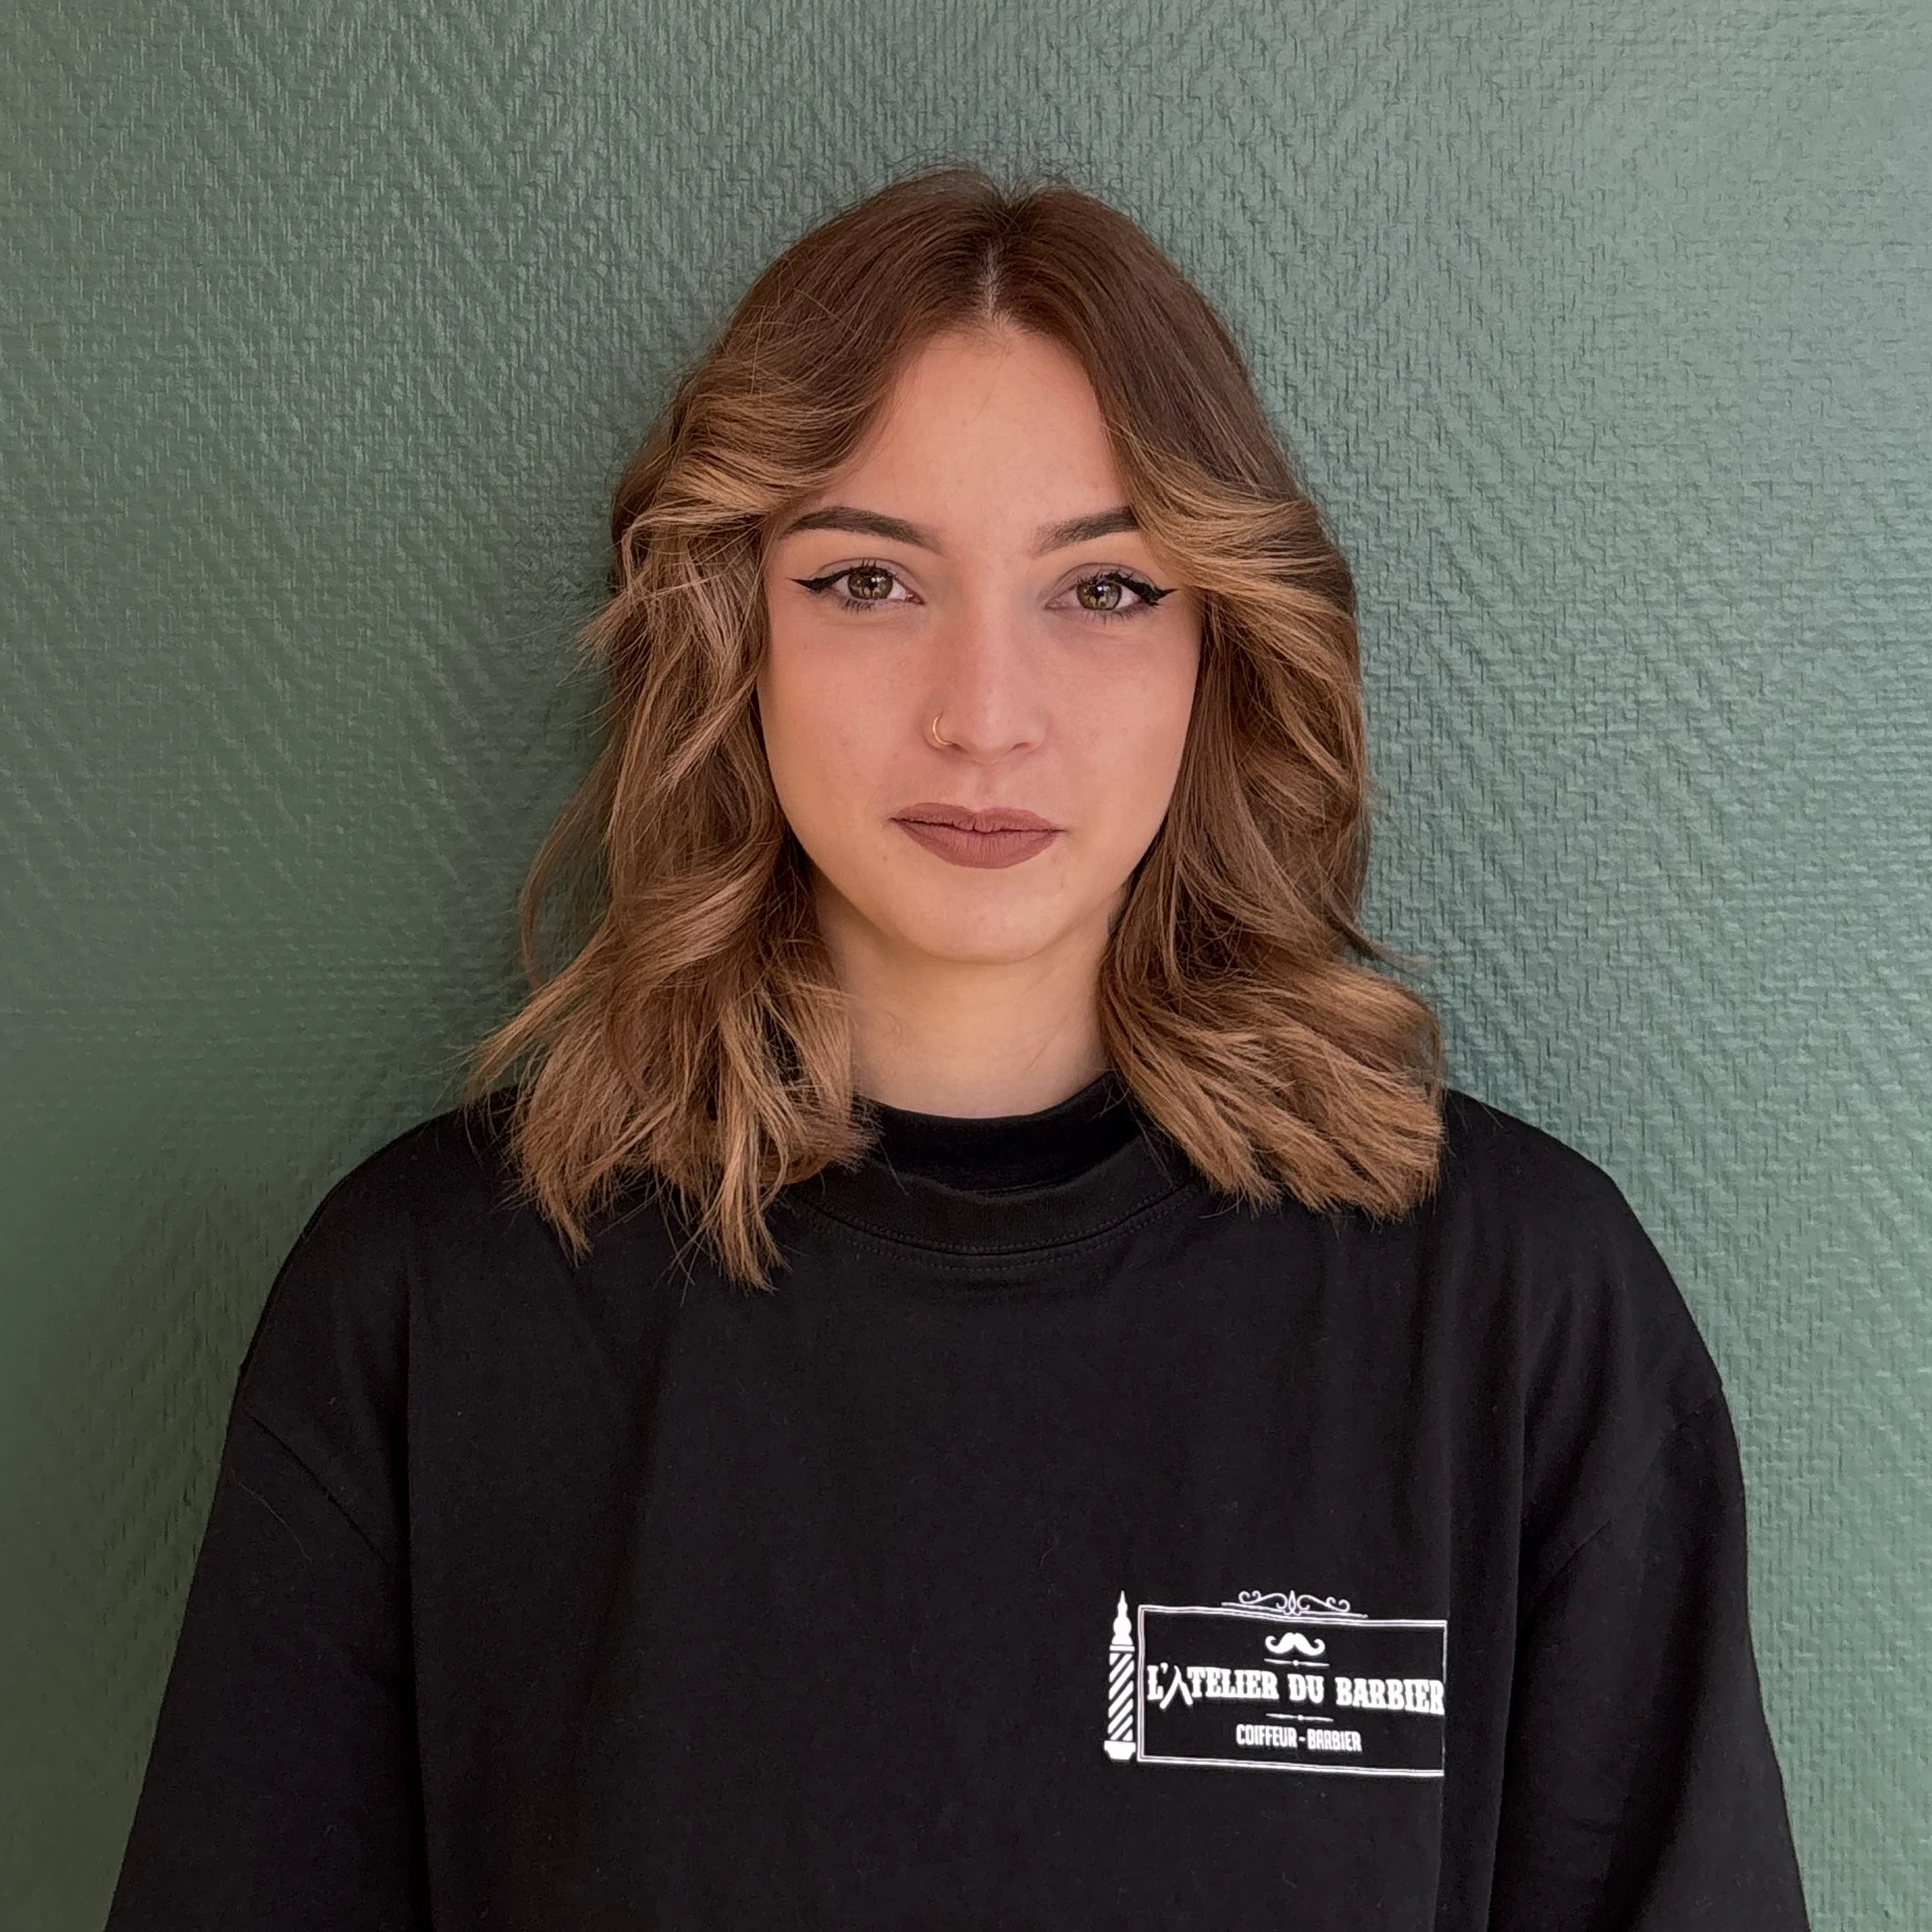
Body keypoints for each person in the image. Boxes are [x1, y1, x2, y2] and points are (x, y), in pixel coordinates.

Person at [105, 168, 1811, 1930]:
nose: (984, 713)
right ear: (728, 629)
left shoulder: (1517, 1313)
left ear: (1221, 646)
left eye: (1105, 590)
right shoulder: (430, 1308)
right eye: (865, 579)